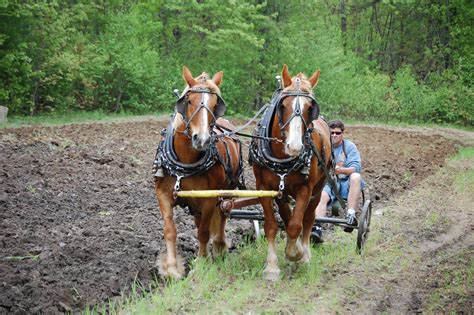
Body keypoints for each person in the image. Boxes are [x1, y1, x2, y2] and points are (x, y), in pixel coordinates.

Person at [311, 120, 364, 243]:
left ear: (342, 133)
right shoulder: (322, 146)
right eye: (332, 133)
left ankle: (351, 214)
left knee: (356, 176)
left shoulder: (349, 147)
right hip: (327, 182)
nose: (334, 135)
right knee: (321, 196)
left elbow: (356, 167)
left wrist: (341, 170)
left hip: (345, 182)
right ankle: (317, 228)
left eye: (337, 133)